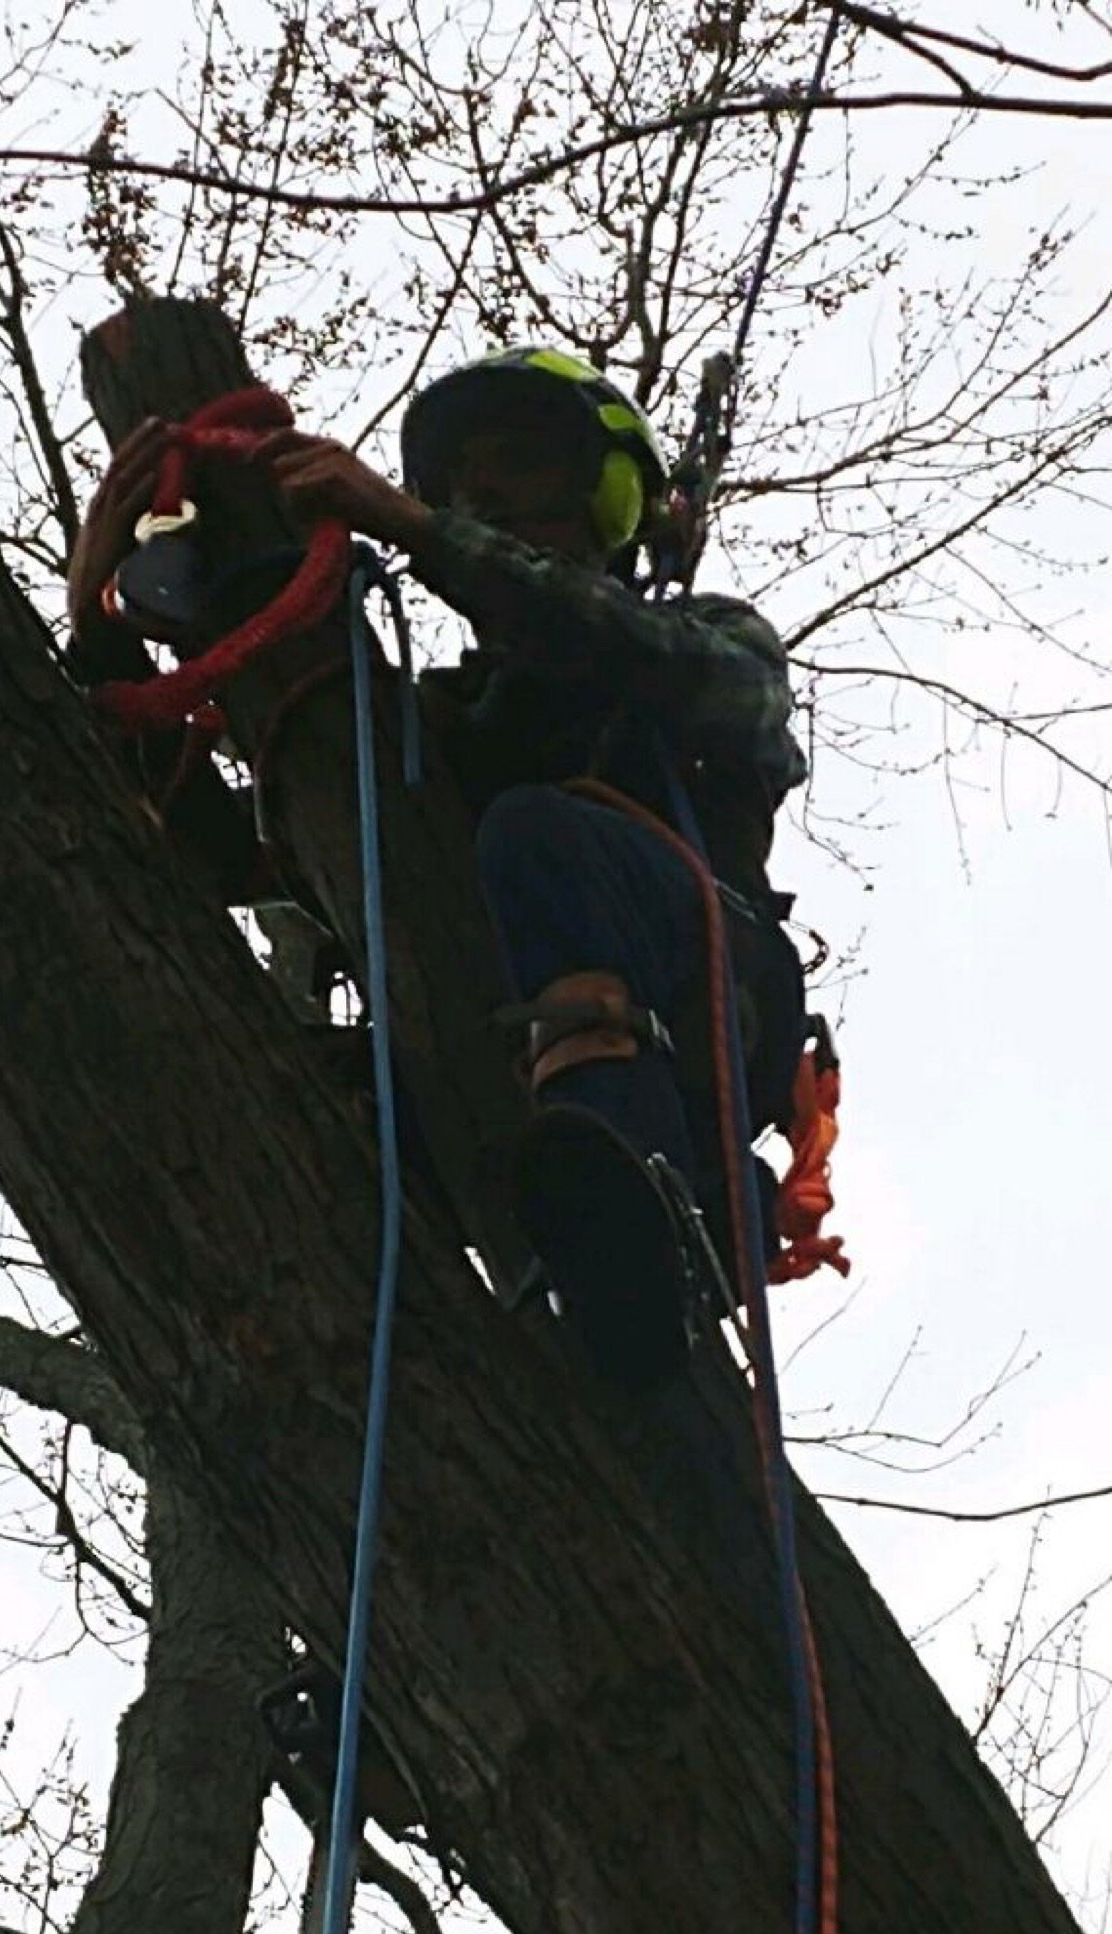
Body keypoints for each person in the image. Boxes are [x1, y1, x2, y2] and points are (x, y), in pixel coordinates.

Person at [68, 351, 808, 1383]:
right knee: (314, 1091)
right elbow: (229, 853)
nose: (484, 498)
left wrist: (422, 529)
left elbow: (654, 661)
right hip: (492, 1052)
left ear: (613, 497)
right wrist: (100, 634)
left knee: (536, 835)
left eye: (519, 469)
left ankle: (655, 1226)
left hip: (708, 1006)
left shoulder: (708, 643)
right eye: (458, 487)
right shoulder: (440, 731)